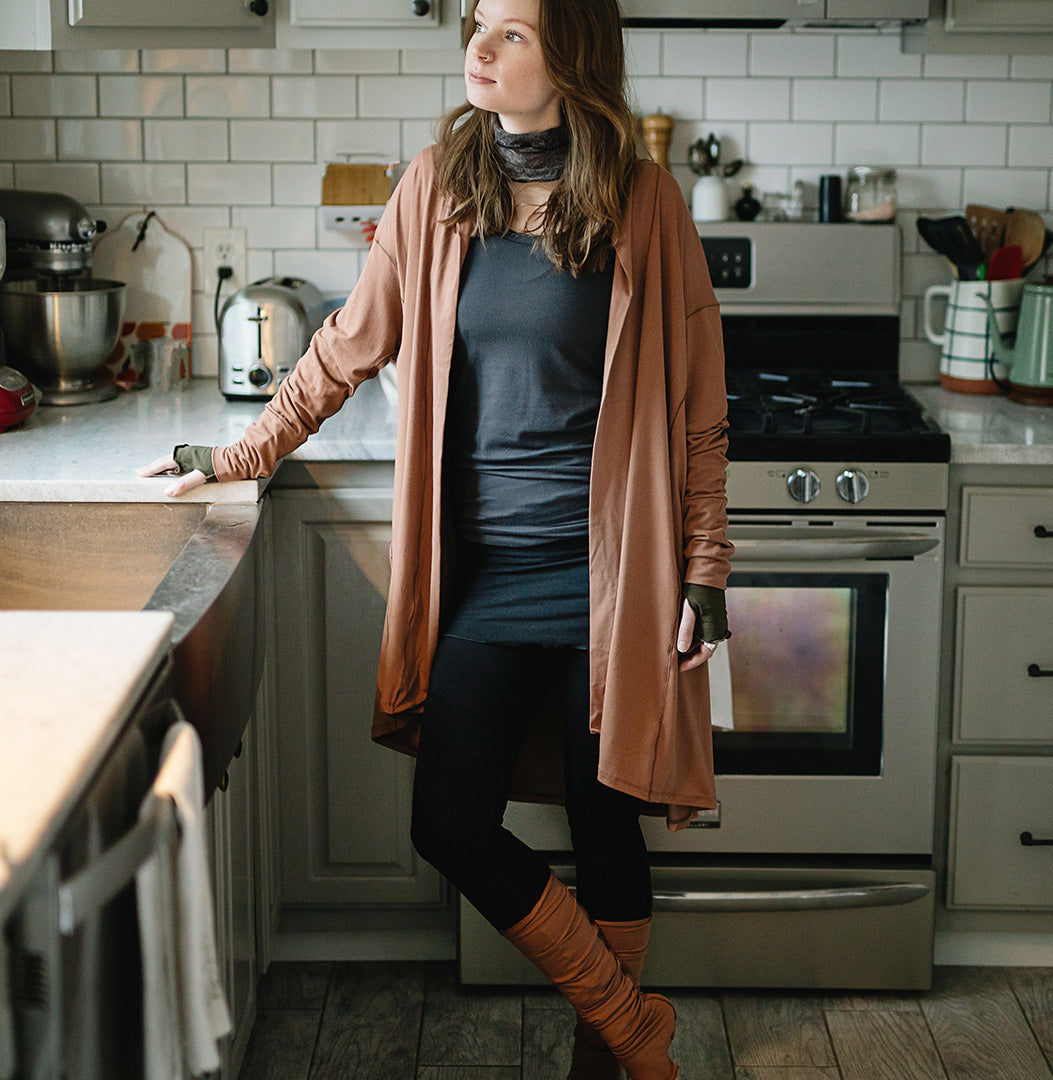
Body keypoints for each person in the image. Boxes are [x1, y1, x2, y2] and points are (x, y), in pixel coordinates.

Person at [140, 0, 731, 1075]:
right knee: (451, 824)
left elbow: (697, 406)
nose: (479, 48)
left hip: (612, 582)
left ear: (572, 53)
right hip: (488, 577)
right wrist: (240, 454)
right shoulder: (437, 187)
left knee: (607, 831)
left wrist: (705, 571)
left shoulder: (644, 203)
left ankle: (608, 1057)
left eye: (510, 31)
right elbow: (346, 345)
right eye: (474, 23)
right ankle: (635, 1022)